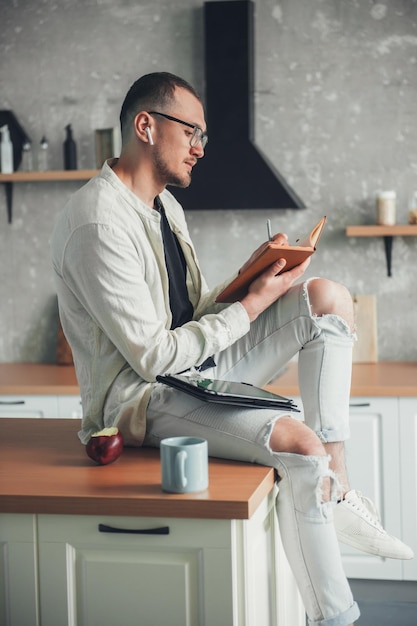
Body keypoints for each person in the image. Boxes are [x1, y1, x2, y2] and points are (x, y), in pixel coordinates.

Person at [51, 72, 413, 626]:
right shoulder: (98, 221)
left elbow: (189, 317)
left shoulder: (165, 208)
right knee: (299, 445)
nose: (200, 147)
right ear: (145, 126)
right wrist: (250, 306)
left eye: (205, 136)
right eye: (191, 131)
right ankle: (337, 617)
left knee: (328, 299)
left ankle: (339, 486)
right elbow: (150, 357)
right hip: (140, 400)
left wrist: (250, 279)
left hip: (189, 370)